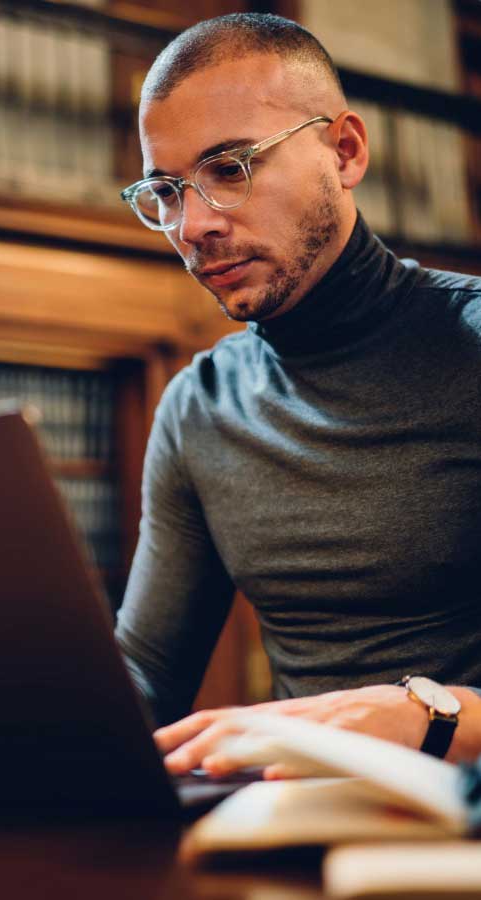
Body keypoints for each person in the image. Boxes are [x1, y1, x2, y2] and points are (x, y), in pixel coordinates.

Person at [114, 12, 481, 779]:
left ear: (344, 151)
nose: (194, 224)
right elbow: (147, 676)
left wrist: (423, 715)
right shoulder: (200, 407)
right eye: (166, 191)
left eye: (230, 168)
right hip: (290, 830)